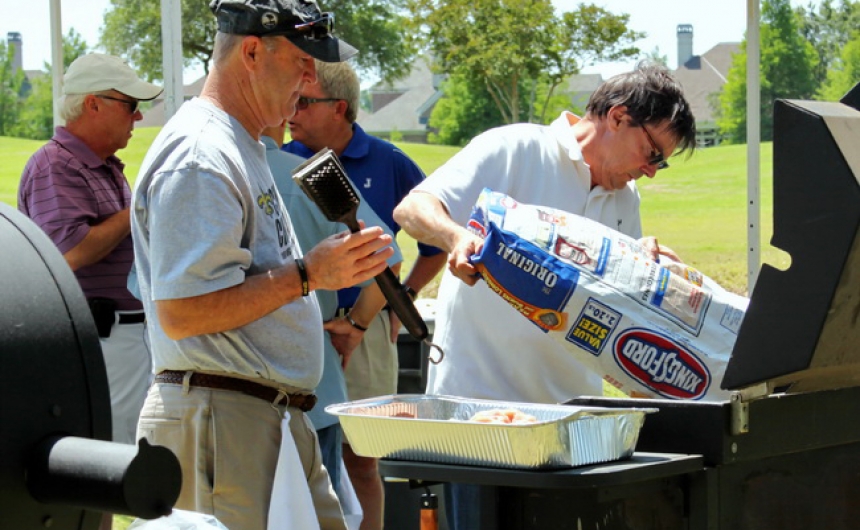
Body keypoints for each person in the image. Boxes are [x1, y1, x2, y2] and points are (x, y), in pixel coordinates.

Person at [392, 62, 697, 529]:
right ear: (617, 118)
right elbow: (413, 207)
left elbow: (613, 306)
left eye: (660, 162)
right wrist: (456, 238)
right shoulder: (514, 148)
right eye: (651, 152)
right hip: (480, 418)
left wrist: (646, 270)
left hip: (570, 431)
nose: (650, 172)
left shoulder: (625, 200)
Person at [130, 1, 394, 529]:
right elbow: (182, 312)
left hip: (255, 418)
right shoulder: (202, 154)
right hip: (223, 420)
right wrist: (309, 275)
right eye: (302, 61)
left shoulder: (239, 144)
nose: (311, 78)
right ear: (251, 51)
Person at [283, 60, 446, 530]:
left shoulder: (389, 161)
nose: (293, 112)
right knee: (306, 452)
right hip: (303, 323)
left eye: (305, 103)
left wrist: (401, 300)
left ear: (340, 107)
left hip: (368, 328)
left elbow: (431, 245)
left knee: (361, 456)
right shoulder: (281, 158)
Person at [263, 118, 402, 522]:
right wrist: (357, 325)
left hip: (228, 394)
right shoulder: (302, 175)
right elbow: (387, 258)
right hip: (314, 383)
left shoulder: (209, 174)